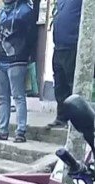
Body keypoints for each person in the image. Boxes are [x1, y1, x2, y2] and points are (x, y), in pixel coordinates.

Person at [0, 0, 35, 143]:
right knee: (2, 98)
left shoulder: (26, 10)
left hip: (17, 59)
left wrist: (26, 55)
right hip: (0, 59)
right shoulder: (1, 12)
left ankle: (20, 131)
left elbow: (31, 35)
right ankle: (2, 130)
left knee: (18, 96)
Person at [48, 0, 82, 129]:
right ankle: (61, 118)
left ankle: (75, 120)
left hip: (72, 46)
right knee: (59, 85)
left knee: (72, 83)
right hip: (58, 47)